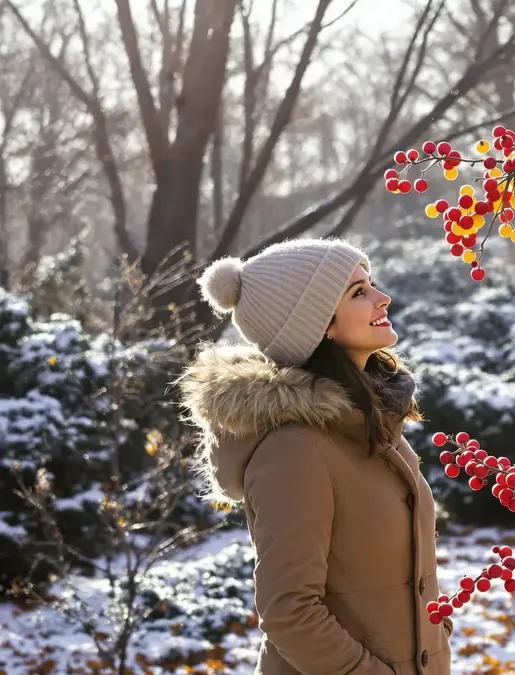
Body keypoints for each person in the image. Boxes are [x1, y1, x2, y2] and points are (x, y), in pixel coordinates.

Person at [178, 238, 452, 675]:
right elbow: (289, 612)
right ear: (318, 323)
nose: (383, 298)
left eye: (371, 284)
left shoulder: (372, 420)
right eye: (358, 292)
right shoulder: (296, 451)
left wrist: (434, 641)